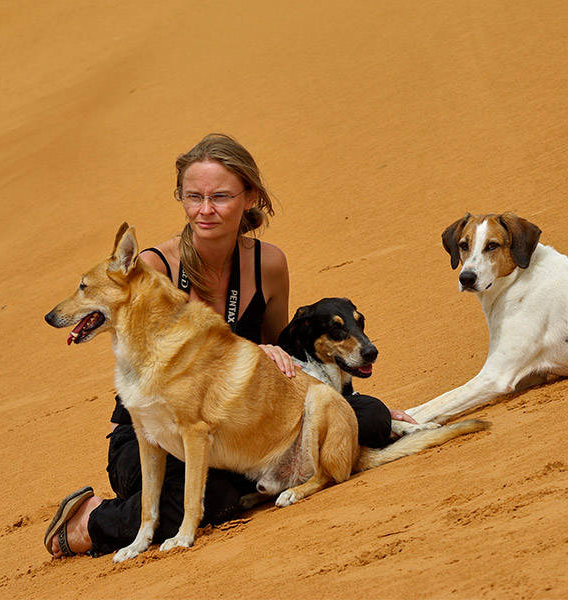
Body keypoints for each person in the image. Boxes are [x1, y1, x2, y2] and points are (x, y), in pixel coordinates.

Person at [45, 133, 415, 558]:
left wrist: (274, 356)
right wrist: (250, 348)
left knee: (364, 415)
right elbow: (146, 359)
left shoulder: (268, 263)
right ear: (181, 199)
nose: (205, 210)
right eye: (193, 197)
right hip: (154, 428)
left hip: (237, 422)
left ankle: (279, 472)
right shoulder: (151, 267)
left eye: (220, 196)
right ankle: (88, 522)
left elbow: (283, 354)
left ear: (249, 196)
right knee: (211, 495)